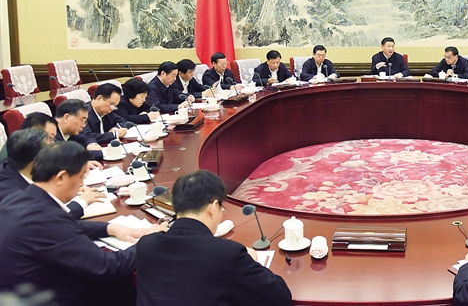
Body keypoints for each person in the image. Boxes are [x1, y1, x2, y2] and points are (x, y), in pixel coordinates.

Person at [0, 141, 166, 305]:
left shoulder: (20, 198)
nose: (81, 185)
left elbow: (65, 226)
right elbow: (108, 267)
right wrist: (149, 241)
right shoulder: (46, 219)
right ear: (61, 177)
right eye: (81, 177)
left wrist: (110, 228)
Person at [136, 170, 292, 306]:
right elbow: (279, 297)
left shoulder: (146, 245)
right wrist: (252, 261)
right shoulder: (227, 254)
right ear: (213, 207)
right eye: (222, 209)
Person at [0, 129, 103, 218]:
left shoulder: (21, 169)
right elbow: (46, 221)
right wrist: (80, 202)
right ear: (37, 160)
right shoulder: (9, 192)